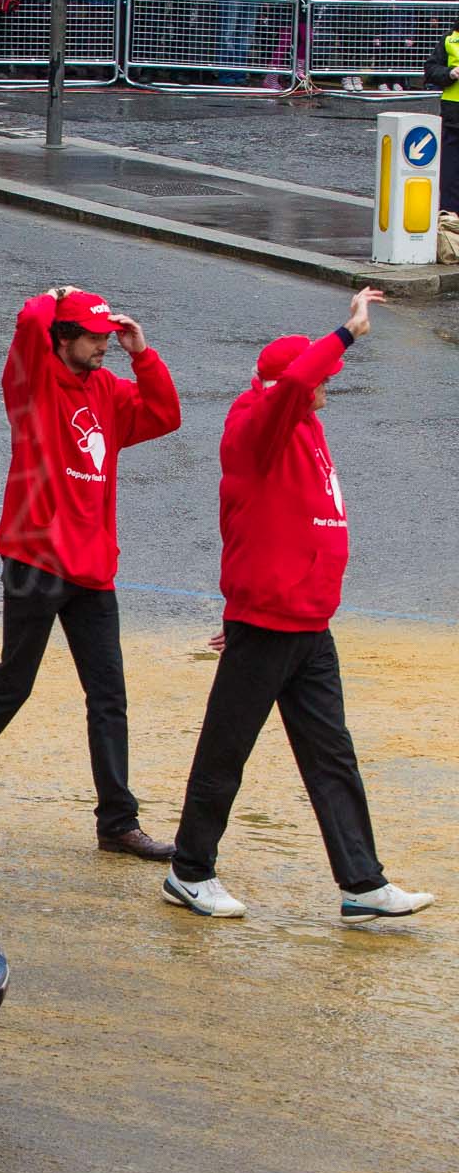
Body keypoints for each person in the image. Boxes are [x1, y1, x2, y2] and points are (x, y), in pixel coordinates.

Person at [158, 290, 434, 922]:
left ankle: (362, 883)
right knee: (227, 749)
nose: (326, 389)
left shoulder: (304, 425)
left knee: (331, 753)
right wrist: (347, 331)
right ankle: (189, 871)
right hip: (266, 623)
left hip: (307, 623)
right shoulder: (259, 424)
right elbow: (295, 383)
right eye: (319, 381)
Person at [0, 288, 182, 858]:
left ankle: (118, 821)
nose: (103, 346)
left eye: (108, 337)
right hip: (34, 560)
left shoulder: (109, 390)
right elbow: (28, 322)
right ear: (62, 338)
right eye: (93, 337)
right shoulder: (31, 384)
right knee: (14, 682)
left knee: (109, 695)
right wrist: (55, 294)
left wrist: (143, 354)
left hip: (91, 567)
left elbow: (165, 415)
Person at [429, 13, 459, 206]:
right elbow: (431, 70)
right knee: (450, 177)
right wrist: (450, 73)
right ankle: (449, 223)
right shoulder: (449, 39)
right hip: (454, 118)